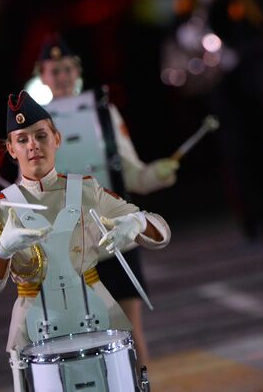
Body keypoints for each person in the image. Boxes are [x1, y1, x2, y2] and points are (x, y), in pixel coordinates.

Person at [0, 90, 171, 389]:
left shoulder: (87, 190)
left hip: (99, 321)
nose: (33, 146)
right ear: (11, 150)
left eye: (41, 135)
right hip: (35, 335)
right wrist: (3, 249)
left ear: (56, 138)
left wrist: (137, 222)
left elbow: (161, 231)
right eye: (22, 140)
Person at [33, 35, 179, 368]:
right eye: (55, 70)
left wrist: (160, 173)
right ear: (43, 75)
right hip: (68, 245)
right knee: (85, 337)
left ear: (78, 71)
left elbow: (133, 173)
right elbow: (29, 186)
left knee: (129, 328)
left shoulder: (103, 111)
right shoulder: (34, 124)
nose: (62, 76)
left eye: (68, 68)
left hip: (116, 235)